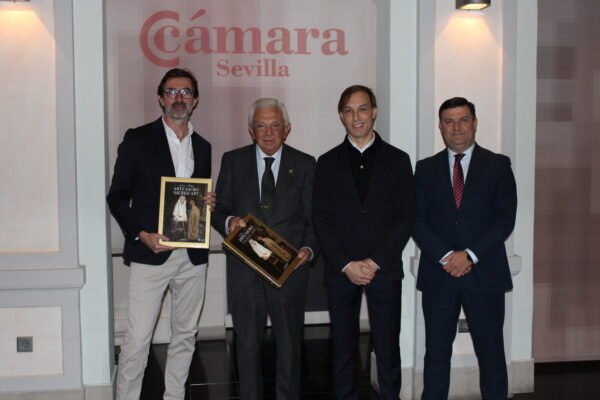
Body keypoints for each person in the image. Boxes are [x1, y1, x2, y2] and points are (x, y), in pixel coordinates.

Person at [107, 68, 215, 400]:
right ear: (160, 98)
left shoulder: (203, 146)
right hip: (150, 253)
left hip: (192, 257)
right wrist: (141, 234)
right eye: (171, 91)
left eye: (186, 92)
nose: (179, 98)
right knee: (138, 339)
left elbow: (194, 199)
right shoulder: (138, 139)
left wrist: (208, 202)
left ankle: (175, 396)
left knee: (185, 335)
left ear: (195, 100)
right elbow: (117, 196)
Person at [312, 85, 416, 400]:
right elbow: (321, 220)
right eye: (348, 110)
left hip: (384, 269)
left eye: (362, 108)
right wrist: (347, 264)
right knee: (343, 347)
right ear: (341, 116)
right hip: (340, 270)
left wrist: (374, 261)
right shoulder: (326, 162)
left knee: (387, 345)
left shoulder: (398, 160)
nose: (356, 117)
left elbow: (406, 217)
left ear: (374, 112)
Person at [212, 98, 317, 400]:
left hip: (289, 271)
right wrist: (229, 222)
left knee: (290, 347)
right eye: (261, 126)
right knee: (246, 347)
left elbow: (314, 218)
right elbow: (219, 209)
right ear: (251, 130)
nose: (268, 132)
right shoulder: (233, 161)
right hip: (245, 272)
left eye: (275, 125)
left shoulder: (306, 164)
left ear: (287, 129)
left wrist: (308, 249)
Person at [412, 97, 517, 400]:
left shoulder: (498, 165)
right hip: (439, 274)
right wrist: (447, 256)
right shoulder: (425, 168)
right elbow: (415, 219)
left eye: (463, 120)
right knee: (435, 354)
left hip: (485, 274)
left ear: (474, 123)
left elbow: (505, 219)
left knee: (491, 354)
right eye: (449, 121)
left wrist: (469, 255)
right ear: (440, 126)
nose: (456, 127)